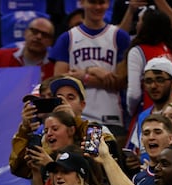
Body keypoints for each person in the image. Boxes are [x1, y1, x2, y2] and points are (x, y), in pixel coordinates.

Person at [50, 0, 131, 137]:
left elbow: (121, 82)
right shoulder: (67, 38)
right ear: (82, 2)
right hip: (78, 117)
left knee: (109, 157)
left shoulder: (119, 37)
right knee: (84, 156)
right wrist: (92, 71)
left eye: (102, 2)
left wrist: (82, 76)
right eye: (93, 2)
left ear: (108, 4)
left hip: (112, 116)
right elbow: (60, 81)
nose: (98, 7)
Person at [123, 9, 172, 118]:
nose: (137, 24)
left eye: (139, 21)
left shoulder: (138, 51)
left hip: (152, 117)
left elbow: (134, 94)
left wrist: (132, 113)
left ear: (146, 27)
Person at [0, 17, 56, 81]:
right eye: (34, 31)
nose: (39, 37)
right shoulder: (1, 56)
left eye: (45, 34)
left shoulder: (55, 65)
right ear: (25, 33)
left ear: (51, 42)